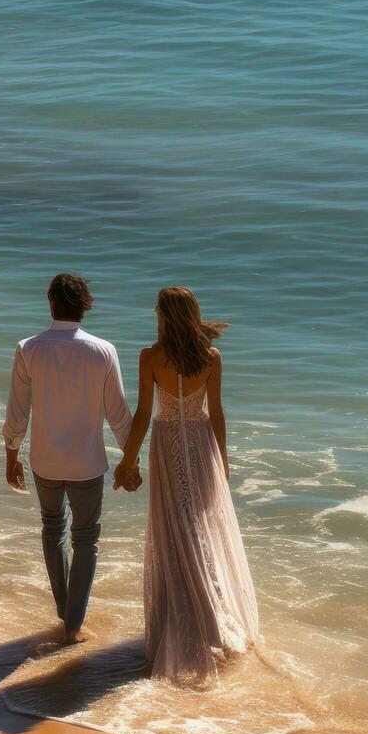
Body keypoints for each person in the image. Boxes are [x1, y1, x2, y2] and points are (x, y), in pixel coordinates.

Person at [114, 286, 259, 683]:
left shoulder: (150, 357)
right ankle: (211, 613)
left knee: (174, 531)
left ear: (163, 315)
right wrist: (223, 459)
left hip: (166, 444)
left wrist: (128, 458)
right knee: (200, 528)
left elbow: (145, 412)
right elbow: (216, 413)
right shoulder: (211, 357)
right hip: (200, 444)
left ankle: (187, 619)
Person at [2, 272, 133, 644]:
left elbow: (17, 411)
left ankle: (64, 611)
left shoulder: (29, 348)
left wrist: (11, 454)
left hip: (45, 460)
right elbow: (118, 413)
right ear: (85, 305)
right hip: (87, 462)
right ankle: (73, 624)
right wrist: (131, 459)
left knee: (52, 528)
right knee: (86, 539)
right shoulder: (103, 350)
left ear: (50, 301)